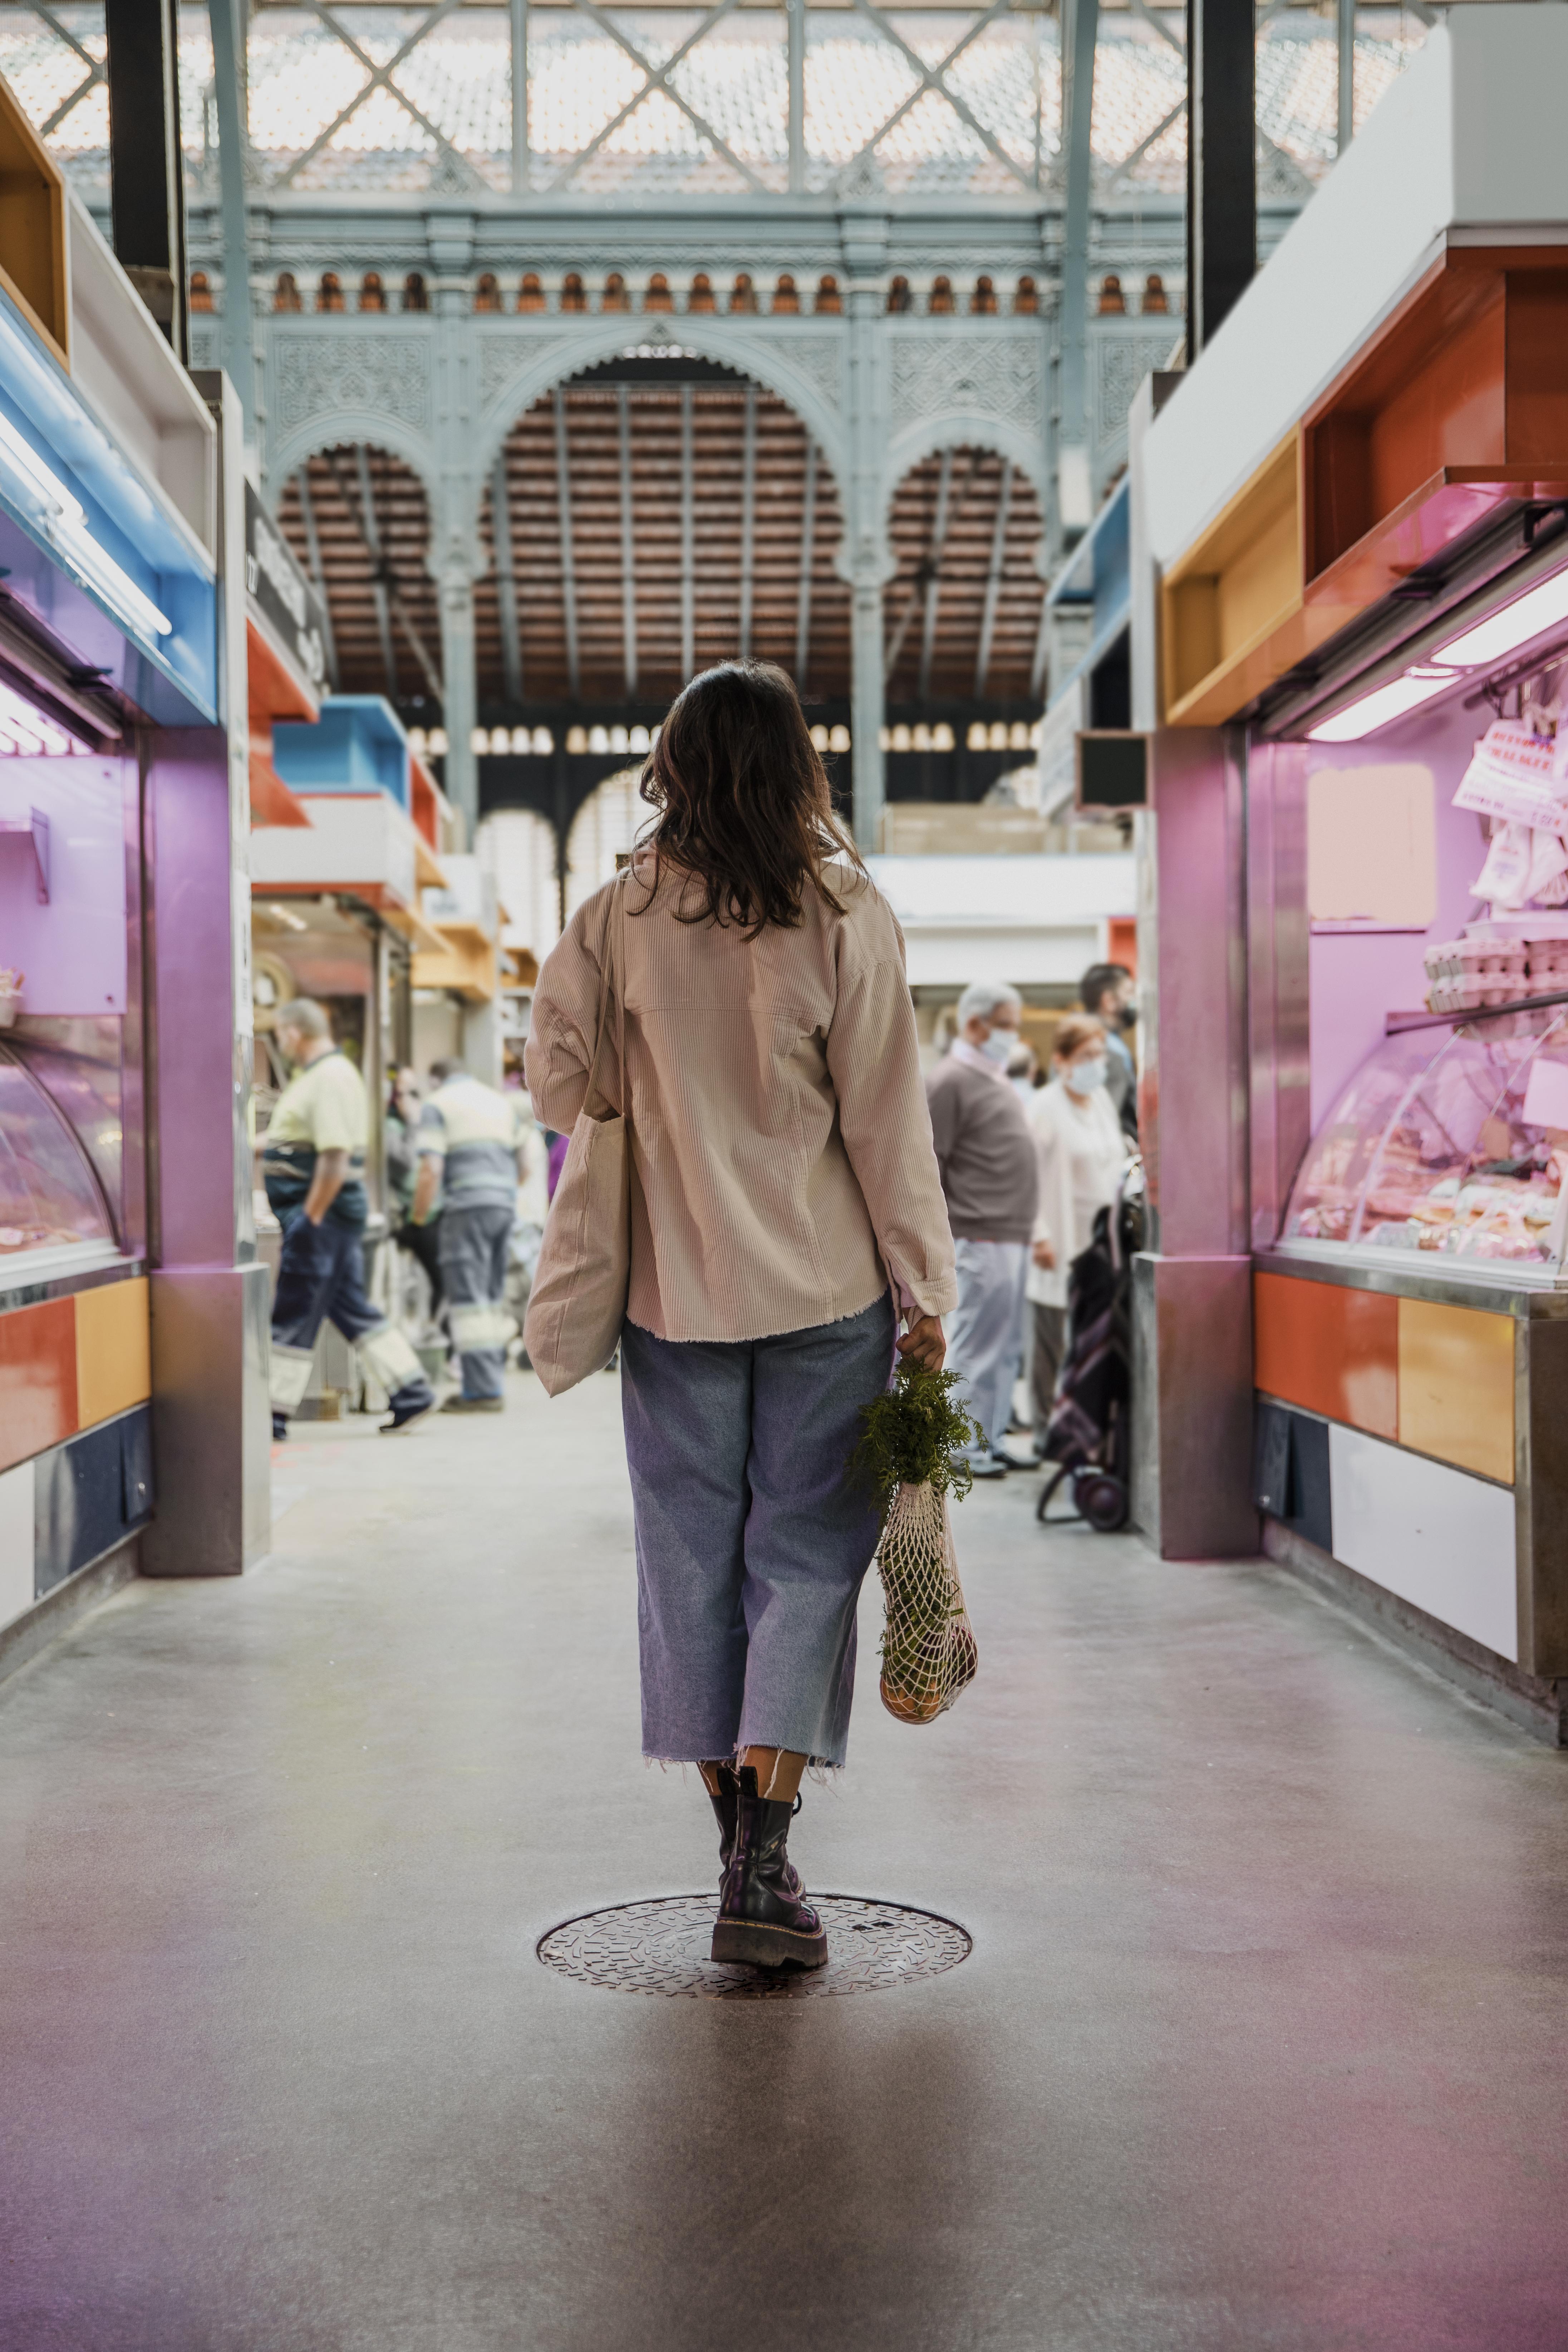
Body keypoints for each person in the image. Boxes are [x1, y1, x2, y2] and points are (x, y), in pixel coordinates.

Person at [526, 661, 955, 1973]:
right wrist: (925, 1296)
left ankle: (732, 1841)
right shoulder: (842, 910)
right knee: (806, 1562)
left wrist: (643, 1098)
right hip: (827, 1292)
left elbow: (555, 1080)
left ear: (671, 766)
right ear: (796, 769)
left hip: (670, 1293)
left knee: (688, 1563)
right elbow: (889, 1126)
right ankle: (762, 1856)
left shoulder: (614, 917)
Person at [265, 1000, 435, 1439]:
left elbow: (336, 1156)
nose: (279, 1041)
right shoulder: (321, 1076)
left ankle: (271, 1412)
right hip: (327, 1216)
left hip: (324, 1215)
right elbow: (300, 1139)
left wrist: (310, 1217)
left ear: (292, 1032)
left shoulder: (331, 1077)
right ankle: (412, 1391)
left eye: (279, 1032)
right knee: (351, 1308)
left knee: (294, 1310)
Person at [925, 981, 1039, 1479]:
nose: (1012, 1035)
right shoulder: (949, 1080)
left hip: (1010, 1233)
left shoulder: (993, 1076)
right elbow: (931, 1164)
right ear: (974, 1025)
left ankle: (987, 1439)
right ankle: (962, 1446)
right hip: (980, 1233)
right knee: (977, 1345)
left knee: (1006, 1345)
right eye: (1007, 1024)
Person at [1026, 1016, 1130, 1451]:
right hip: (1060, 1234)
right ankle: (1043, 1431)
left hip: (1102, 1239)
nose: (1095, 1065)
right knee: (1051, 1338)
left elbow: (1114, 1154)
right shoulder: (1042, 1106)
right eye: (1085, 1056)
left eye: (1100, 1055)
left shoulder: (1101, 1098)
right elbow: (1025, 1177)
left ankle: (1081, 1422)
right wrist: (1038, 1234)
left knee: (1089, 1334)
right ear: (1062, 1061)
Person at [412, 1056, 526, 1414]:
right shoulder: (498, 1101)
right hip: (503, 1207)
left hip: (465, 1209)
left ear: (435, 1080)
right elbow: (525, 1164)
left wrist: (418, 1216)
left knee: (468, 1302)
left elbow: (431, 1168)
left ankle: (481, 1390)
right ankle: (490, 1383)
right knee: (490, 1298)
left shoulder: (437, 1104)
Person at [1079, 962, 1139, 1140]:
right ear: (1109, 1001)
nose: (1135, 1000)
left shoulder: (1107, 1042)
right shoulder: (1102, 1048)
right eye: (1130, 993)